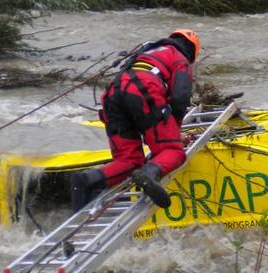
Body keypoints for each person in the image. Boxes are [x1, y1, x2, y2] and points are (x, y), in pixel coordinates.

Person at [70, 29, 201, 212]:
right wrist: (173, 133)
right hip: (143, 88)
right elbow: (180, 97)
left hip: (112, 94)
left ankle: (88, 180)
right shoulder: (179, 57)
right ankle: (150, 174)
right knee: (173, 151)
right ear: (193, 52)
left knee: (130, 161)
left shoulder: (147, 51)